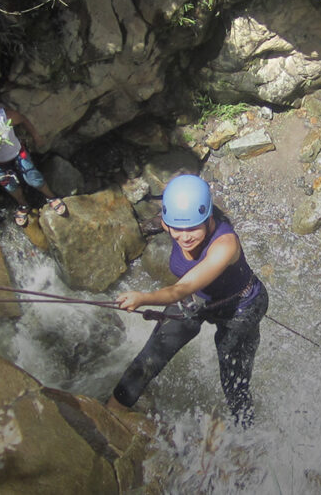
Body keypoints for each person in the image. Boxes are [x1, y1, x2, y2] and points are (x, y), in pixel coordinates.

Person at [110, 174, 268, 428]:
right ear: (166, 223)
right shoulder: (171, 224)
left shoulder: (225, 245)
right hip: (199, 299)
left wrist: (143, 298)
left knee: (234, 383)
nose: (184, 237)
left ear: (209, 220)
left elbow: (181, 289)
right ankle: (113, 410)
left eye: (193, 228)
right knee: (151, 354)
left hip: (240, 309)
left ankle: (248, 436)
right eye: (177, 228)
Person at [0, 106, 67, 227]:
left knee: (33, 179)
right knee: (10, 186)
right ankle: (23, 205)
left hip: (17, 154)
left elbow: (22, 119)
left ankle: (51, 197)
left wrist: (36, 136)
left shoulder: (2, 118)